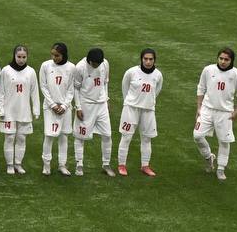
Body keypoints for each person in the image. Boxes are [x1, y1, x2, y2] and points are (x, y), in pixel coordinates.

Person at [194, 47, 237, 182]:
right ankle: (208, 157)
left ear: (231, 60)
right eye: (221, 58)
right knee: (197, 135)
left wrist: (236, 112)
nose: (223, 62)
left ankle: (221, 168)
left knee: (224, 141)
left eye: (226, 59)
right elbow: (201, 88)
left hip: (225, 113)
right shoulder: (208, 70)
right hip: (207, 109)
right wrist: (199, 107)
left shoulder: (236, 74)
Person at [118, 48, 163, 177]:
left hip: (148, 110)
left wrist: (147, 102)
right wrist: (130, 102)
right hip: (131, 108)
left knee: (147, 138)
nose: (148, 62)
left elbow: (156, 91)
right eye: (145, 59)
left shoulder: (158, 75)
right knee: (126, 137)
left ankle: (145, 165)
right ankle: (121, 165)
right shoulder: (131, 72)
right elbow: (125, 88)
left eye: (151, 59)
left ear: (154, 60)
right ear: (141, 59)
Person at [71, 47, 114, 177]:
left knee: (107, 135)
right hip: (86, 105)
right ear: (89, 61)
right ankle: (79, 164)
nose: (97, 66)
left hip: (101, 105)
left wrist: (106, 99)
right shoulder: (79, 67)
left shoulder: (105, 63)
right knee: (80, 136)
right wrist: (78, 107)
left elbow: (105, 83)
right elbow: (76, 88)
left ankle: (106, 164)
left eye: (99, 63)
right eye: (95, 64)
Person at [0, 45, 40, 174]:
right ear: (14, 56)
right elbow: (1, 91)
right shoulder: (6, 71)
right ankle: (9, 165)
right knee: (9, 138)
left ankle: (18, 164)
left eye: (24, 57)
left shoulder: (31, 72)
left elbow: (34, 92)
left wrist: (36, 110)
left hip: (24, 111)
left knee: (21, 138)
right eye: (19, 57)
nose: (21, 60)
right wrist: (1, 109)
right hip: (9, 111)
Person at [38, 43, 75, 176]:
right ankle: (46, 165)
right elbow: (43, 86)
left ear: (64, 55)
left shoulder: (71, 68)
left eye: (57, 55)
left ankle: (62, 165)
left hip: (65, 108)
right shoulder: (45, 66)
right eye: (52, 55)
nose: (54, 57)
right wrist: (53, 104)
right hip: (50, 107)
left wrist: (64, 105)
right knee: (49, 136)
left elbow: (71, 89)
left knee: (63, 136)